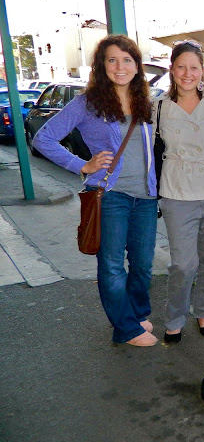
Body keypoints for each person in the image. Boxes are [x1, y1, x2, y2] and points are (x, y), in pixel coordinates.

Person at [34, 34, 158, 347]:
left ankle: (135, 315)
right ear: (101, 66)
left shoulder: (144, 100)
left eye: (127, 60)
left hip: (145, 196)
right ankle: (126, 329)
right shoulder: (87, 103)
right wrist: (82, 165)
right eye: (112, 60)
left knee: (143, 264)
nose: (120, 66)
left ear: (136, 66)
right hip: (110, 195)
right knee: (113, 266)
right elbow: (43, 139)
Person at [155, 40, 204, 344]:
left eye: (194, 67)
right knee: (183, 263)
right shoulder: (158, 105)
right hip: (177, 190)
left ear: (202, 70)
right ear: (172, 69)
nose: (188, 74)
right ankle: (175, 317)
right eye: (181, 67)